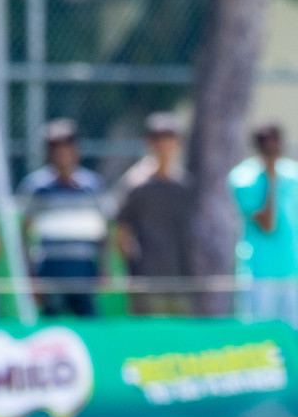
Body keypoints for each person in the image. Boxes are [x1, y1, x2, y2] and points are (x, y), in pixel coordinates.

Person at [19, 119, 109, 317]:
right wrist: (31, 277)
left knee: (90, 333)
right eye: (55, 148)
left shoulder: (92, 185)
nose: (62, 154)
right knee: (53, 332)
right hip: (50, 275)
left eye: (66, 147)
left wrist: (104, 267)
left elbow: (102, 232)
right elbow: (24, 233)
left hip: (84, 274)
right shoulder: (36, 187)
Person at [229, 122, 298, 332]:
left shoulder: (296, 175)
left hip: (292, 268)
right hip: (260, 271)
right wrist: (272, 180)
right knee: (260, 332)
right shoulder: (243, 179)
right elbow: (267, 224)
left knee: (294, 334)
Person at [115, 113, 193, 315]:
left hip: (181, 280)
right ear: (149, 143)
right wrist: (136, 269)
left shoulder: (184, 185)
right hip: (147, 281)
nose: (164, 147)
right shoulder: (136, 184)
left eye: (169, 140)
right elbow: (122, 233)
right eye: (158, 140)